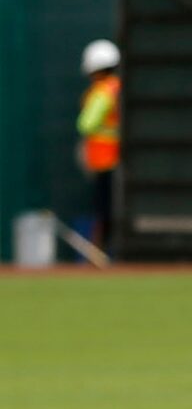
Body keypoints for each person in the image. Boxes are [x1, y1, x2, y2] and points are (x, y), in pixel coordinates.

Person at [76, 39, 120, 260]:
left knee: (103, 210)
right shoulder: (119, 88)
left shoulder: (102, 91)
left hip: (105, 161)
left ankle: (100, 253)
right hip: (118, 160)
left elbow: (86, 124)